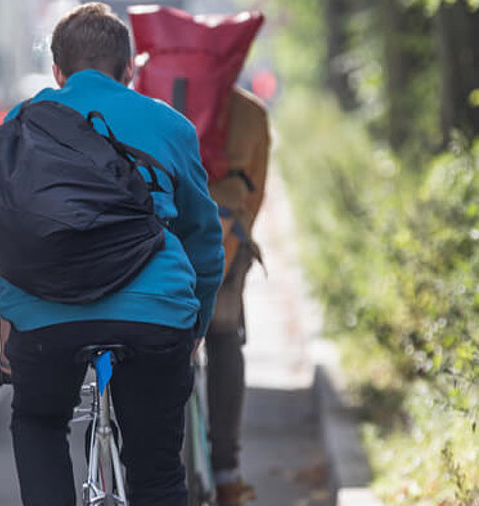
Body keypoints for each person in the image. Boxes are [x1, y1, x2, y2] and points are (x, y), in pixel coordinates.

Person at [0, 4, 225, 505]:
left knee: (37, 420)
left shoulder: (23, 122)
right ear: (130, 70)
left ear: (58, 72)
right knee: (158, 471)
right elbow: (204, 241)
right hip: (156, 312)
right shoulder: (170, 126)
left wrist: (8, 327)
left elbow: (8, 235)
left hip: (45, 315)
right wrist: (195, 328)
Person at [204, 86, 270, 506]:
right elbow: (256, 194)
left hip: (161, 252)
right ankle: (227, 473)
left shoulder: (150, 100)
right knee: (224, 338)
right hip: (223, 246)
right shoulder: (250, 114)